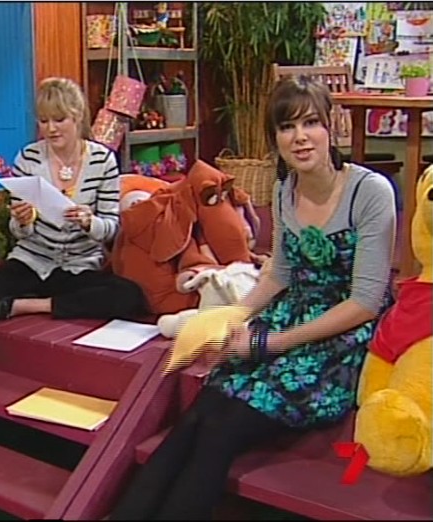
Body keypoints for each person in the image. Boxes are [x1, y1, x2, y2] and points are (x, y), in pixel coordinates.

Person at [110, 75, 396, 519]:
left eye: (311, 123)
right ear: (274, 138)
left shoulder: (370, 192)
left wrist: (268, 343)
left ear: (331, 127)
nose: (300, 137)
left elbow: (365, 301)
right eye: (287, 127)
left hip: (341, 337)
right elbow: (280, 270)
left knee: (222, 429)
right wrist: (234, 316)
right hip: (289, 315)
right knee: (198, 416)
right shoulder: (284, 189)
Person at [0, 77, 148, 323]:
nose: (51, 129)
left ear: (77, 116)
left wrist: (89, 222)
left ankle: (33, 304)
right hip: (31, 261)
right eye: (44, 121)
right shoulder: (28, 158)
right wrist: (23, 221)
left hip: (79, 267)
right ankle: (49, 302)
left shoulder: (103, 161)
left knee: (129, 296)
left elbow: (111, 228)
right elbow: (18, 232)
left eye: (59, 119)